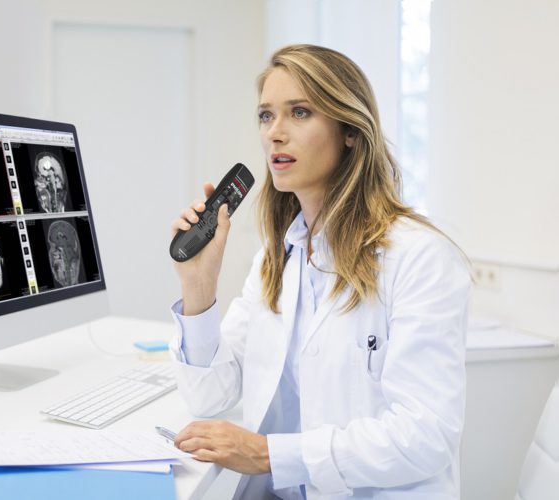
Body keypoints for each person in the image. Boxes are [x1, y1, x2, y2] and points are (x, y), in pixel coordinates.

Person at [168, 44, 470, 500]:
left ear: (349, 130)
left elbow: (426, 436)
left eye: (301, 112)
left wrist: (270, 455)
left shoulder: (419, 256)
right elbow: (209, 397)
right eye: (266, 116)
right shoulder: (278, 256)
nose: (275, 134)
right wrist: (198, 285)